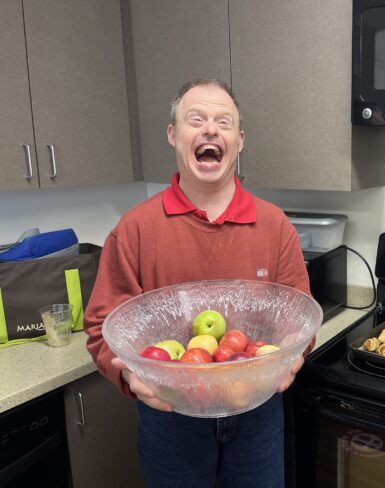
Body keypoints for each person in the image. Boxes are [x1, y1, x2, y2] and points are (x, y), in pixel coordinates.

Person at [84, 78, 311, 488]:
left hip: (256, 414)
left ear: (239, 141)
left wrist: (294, 356)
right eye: (196, 119)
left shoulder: (275, 225)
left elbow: (299, 318)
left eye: (224, 122)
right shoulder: (135, 230)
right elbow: (104, 327)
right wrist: (130, 379)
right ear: (173, 135)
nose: (211, 130)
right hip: (170, 419)